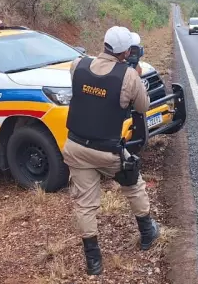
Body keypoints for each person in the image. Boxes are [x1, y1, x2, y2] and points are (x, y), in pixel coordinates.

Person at [63, 26, 160, 276]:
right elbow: (142, 105)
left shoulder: (78, 65)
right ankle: (148, 233)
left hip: (75, 147)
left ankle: (94, 262)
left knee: (85, 205)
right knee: (133, 183)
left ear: (104, 43)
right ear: (127, 51)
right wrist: (136, 76)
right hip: (108, 151)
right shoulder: (128, 76)